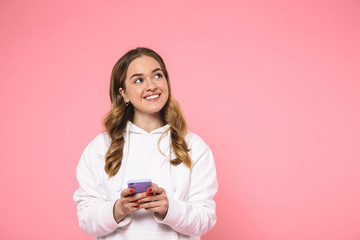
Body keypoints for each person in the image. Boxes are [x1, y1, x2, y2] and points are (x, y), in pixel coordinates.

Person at [73, 47, 218, 240]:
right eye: (139, 80)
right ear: (123, 93)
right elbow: (86, 219)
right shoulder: (100, 148)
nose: (151, 86)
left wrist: (168, 208)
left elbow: (206, 219)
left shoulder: (194, 147)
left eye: (157, 76)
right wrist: (118, 209)